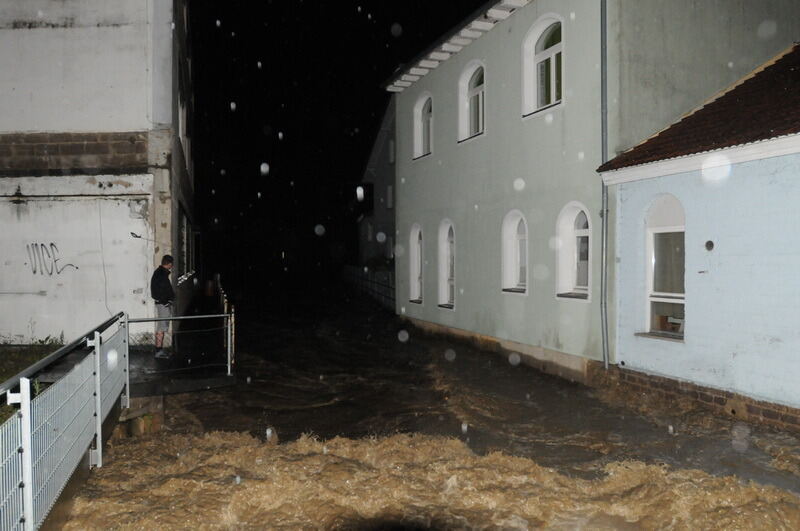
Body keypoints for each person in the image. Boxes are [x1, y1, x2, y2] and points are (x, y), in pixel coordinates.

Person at [150, 255, 175, 359]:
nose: (171, 267)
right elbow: (159, 291)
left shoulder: (160, 273)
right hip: (162, 304)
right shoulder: (161, 274)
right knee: (162, 326)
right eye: (171, 265)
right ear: (169, 264)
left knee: (162, 326)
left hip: (163, 303)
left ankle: (159, 350)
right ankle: (158, 351)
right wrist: (166, 301)